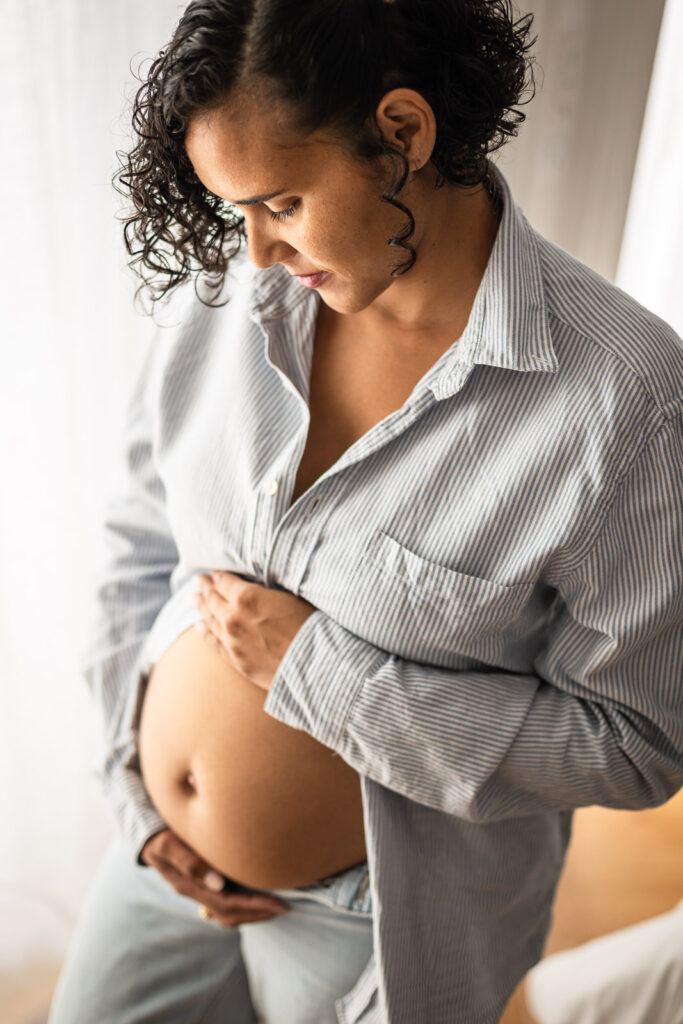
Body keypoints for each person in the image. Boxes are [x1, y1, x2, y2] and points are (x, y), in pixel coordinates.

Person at [48, 1, 683, 1022]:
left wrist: (323, 677)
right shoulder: (229, 289)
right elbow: (136, 542)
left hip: (374, 921)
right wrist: (137, 789)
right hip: (159, 858)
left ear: (401, 134)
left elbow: (636, 741)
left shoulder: (621, 400)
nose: (251, 251)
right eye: (231, 212)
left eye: (283, 202)